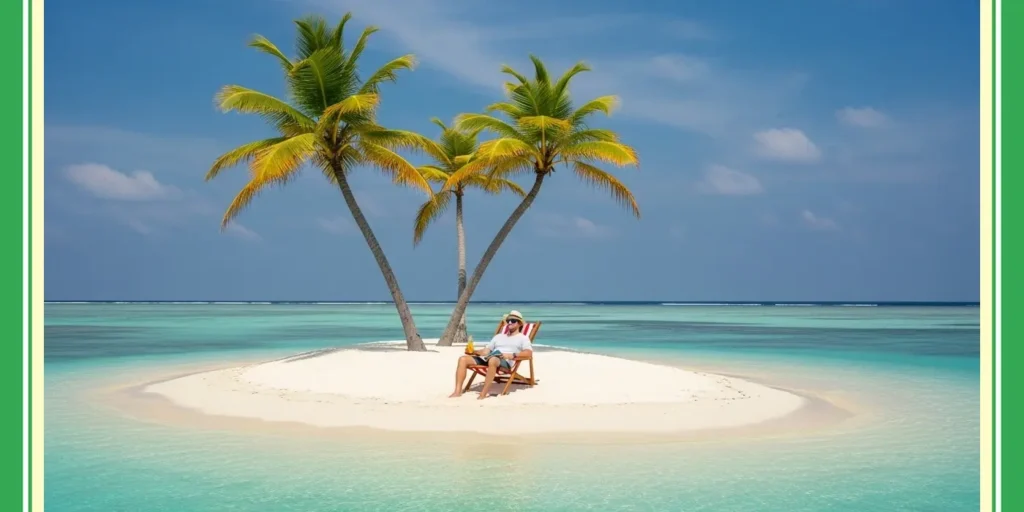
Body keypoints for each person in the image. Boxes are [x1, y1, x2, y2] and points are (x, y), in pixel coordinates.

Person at [450, 310, 533, 399]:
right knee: (463, 359)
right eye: (508, 320)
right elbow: (487, 350)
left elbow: (528, 353)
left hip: (504, 362)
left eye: (513, 320)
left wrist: (510, 355)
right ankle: (457, 391)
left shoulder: (523, 338)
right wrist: (474, 351)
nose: (509, 322)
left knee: (493, 359)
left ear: (520, 323)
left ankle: (483, 393)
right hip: (489, 358)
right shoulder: (498, 336)